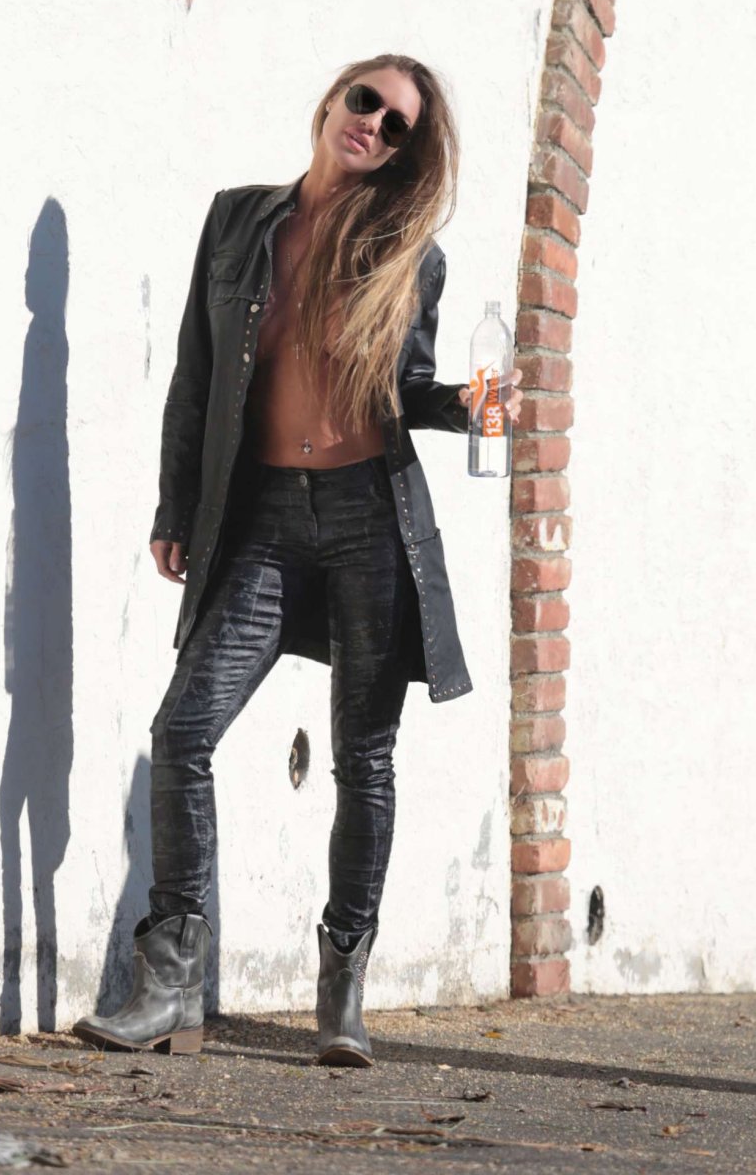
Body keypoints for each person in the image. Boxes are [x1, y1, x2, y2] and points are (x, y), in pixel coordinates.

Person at [72, 55, 523, 1066]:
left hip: (369, 519)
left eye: (397, 127)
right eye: (366, 102)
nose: (374, 125)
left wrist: (467, 405)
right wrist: (175, 507)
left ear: (402, 153)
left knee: (363, 760)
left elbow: (403, 386)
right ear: (331, 100)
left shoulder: (409, 255)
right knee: (182, 731)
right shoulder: (238, 220)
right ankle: (168, 982)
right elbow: (195, 376)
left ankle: (340, 992)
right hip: (263, 520)